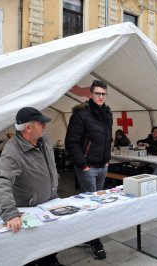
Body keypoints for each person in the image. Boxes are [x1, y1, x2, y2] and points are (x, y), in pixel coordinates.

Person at [0, 107, 63, 266]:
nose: (45, 125)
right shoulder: (12, 150)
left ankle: (50, 262)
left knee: (51, 240)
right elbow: (1, 181)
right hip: (28, 208)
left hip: (50, 202)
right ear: (28, 127)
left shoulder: (44, 139)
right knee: (27, 249)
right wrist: (9, 213)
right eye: (40, 123)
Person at [65, 80, 112, 260]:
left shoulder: (107, 114)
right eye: (97, 93)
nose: (100, 97)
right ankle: (94, 241)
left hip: (102, 165)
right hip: (87, 167)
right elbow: (71, 142)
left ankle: (86, 233)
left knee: (95, 203)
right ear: (91, 94)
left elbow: (108, 140)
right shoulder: (81, 114)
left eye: (103, 94)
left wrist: (107, 160)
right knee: (91, 204)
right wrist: (83, 164)